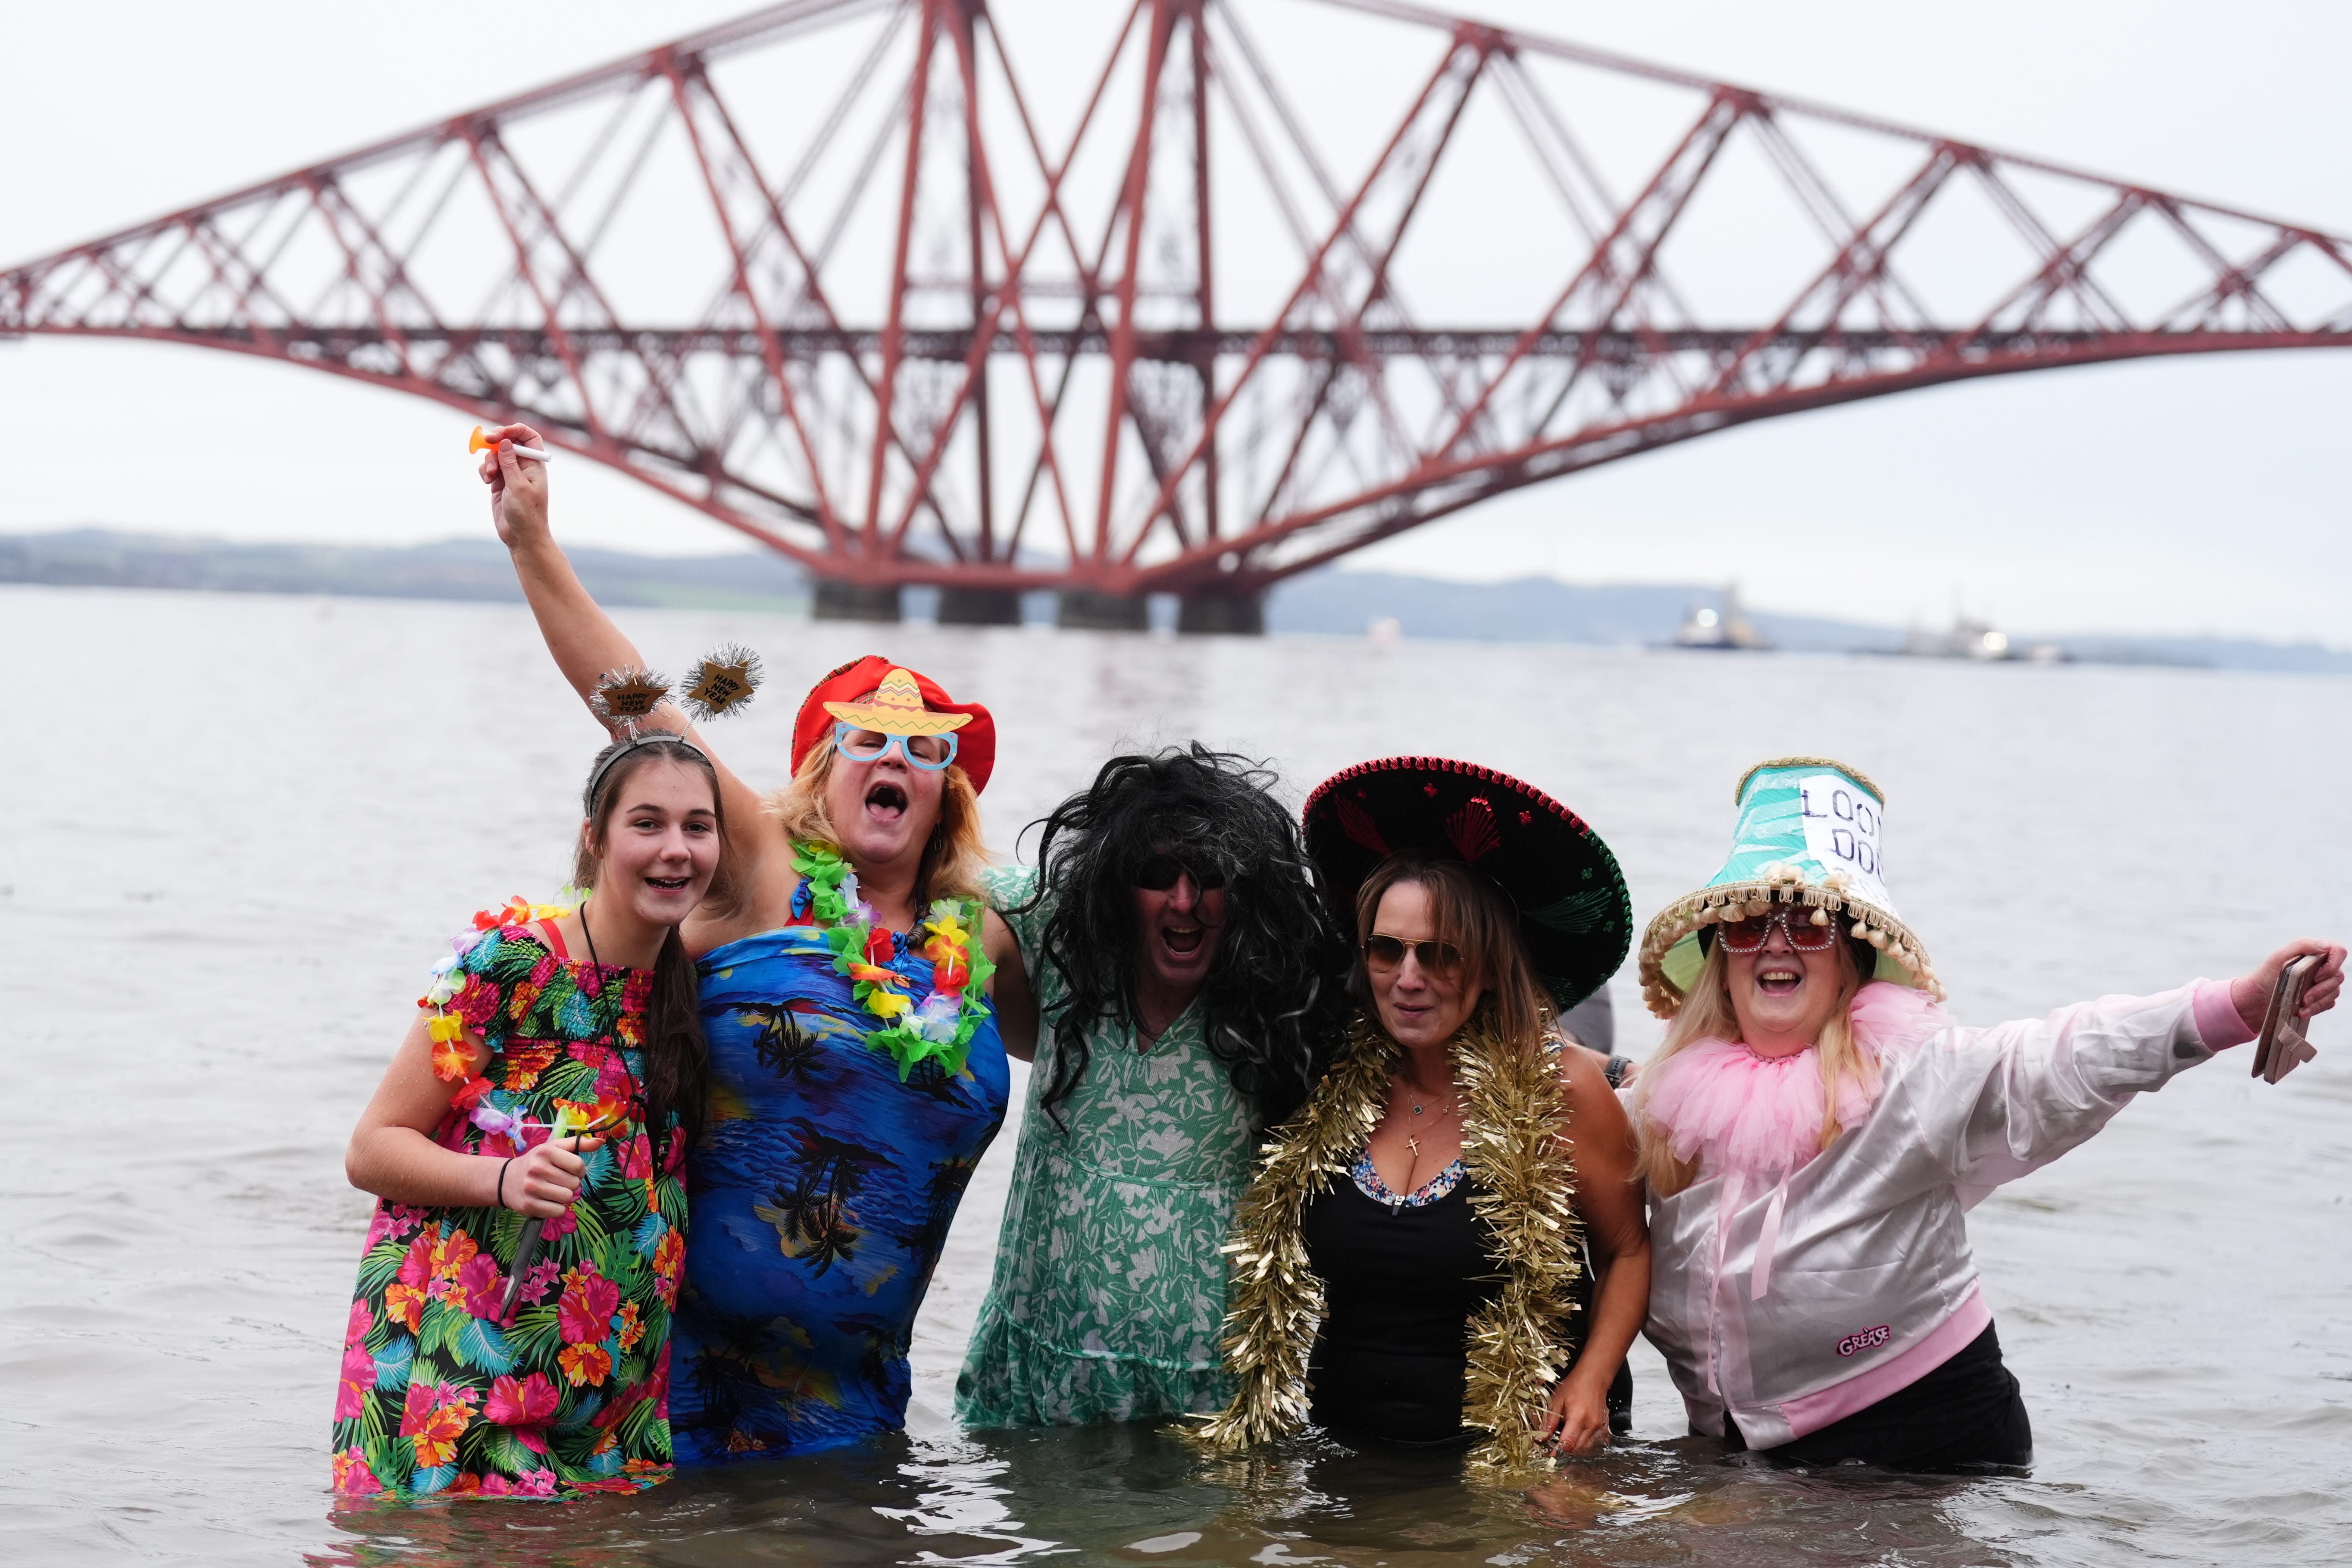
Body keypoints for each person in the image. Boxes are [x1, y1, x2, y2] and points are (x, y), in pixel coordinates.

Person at [475, 425, 1036, 1458]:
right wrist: (532, 543)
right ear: (819, 771)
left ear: (947, 790)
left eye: (924, 751)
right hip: (676, 1375)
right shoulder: (763, 867)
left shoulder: (987, 934)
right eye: (864, 739)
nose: (894, 761)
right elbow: (637, 708)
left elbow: (1120, 1018)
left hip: (861, 1407)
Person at [1627, 756, 2347, 1470]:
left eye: (1808, 925)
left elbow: (2062, 1058)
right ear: (1721, 958)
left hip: (1924, 1441)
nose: (1776, 942)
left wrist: (2235, 1008)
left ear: (1849, 958)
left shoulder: (1912, 1076)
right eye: (1748, 927)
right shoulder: (1663, 1102)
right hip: (1737, 1452)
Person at [1201, 757, 1651, 1468]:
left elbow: (1628, 1248)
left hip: (1522, 1459)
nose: (1408, 979)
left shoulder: (1564, 1091)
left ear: (1487, 960)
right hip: (1342, 1458)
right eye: (1387, 949)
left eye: (1439, 954)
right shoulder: (1322, 1077)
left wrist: (1591, 1377)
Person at [335, 730, 725, 1497]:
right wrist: (505, 1175)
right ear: (595, 839)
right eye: (646, 823)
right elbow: (372, 1147)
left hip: (616, 1397)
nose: (675, 848)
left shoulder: (694, 982)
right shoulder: (511, 962)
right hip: (466, 1373)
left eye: (697, 826)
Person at [955, 748, 1354, 1429]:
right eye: (1154, 873)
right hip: (1036, 1393)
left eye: (1211, 875)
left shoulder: (1282, 1001)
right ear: (1114, 887)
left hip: (1211, 1408)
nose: (1183, 899)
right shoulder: (1068, 946)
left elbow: (1424, 1001)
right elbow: (947, 877)